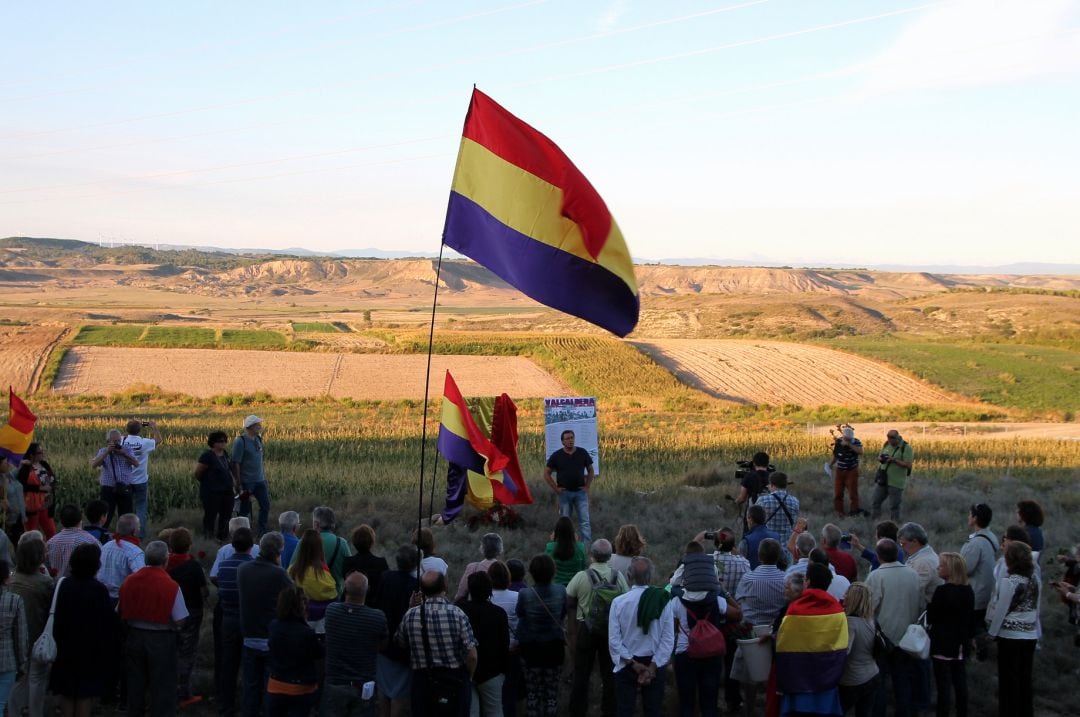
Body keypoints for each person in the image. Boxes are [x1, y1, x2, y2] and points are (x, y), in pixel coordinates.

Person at [118, 539, 188, 716]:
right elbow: (180, 619)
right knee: (162, 687)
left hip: (134, 636)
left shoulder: (129, 581)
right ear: (166, 560)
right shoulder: (170, 585)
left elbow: (120, 610)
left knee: (136, 686)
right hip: (161, 640)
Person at [396, 570, 478, 717]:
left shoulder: (411, 614)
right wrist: (468, 678)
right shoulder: (457, 614)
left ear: (422, 590)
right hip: (454, 681)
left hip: (422, 683)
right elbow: (472, 656)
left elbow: (400, 642)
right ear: (445, 586)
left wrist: (410, 607)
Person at [671, 555, 742, 717]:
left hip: (685, 654)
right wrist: (723, 590)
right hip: (712, 654)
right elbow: (738, 614)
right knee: (709, 704)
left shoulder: (676, 602)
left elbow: (673, 628)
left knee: (687, 704)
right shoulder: (718, 601)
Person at [51, 543, 116, 717]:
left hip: (64, 647)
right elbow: (107, 623)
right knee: (84, 695)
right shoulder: (99, 590)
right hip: (90, 650)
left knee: (67, 692)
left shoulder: (62, 585)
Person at [565, 539, 628, 717]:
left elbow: (569, 601)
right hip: (611, 631)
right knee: (609, 675)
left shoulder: (581, 576)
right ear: (609, 556)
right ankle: (609, 711)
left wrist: (572, 630)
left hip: (586, 629)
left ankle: (577, 711)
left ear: (591, 555)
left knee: (581, 675)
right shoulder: (618, 577)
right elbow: (626, 601)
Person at [775, 563, 848, 716]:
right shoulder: (837, 609)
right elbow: (841, 644)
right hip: (827, 678)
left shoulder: (795, 609)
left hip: (799, 679)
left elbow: (784, 644)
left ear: (807, 581)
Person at [608, 556, 675, 717]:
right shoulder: (662, 601)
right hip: (654, 663)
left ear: (629, 576)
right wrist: (653, 666)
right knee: (653, 710)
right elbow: (668, 639)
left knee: (625, 710)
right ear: (650, 577)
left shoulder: (618, 602)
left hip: (627, 664)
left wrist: (632, 663)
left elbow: (614, 640)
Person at [237, 532, 293, 717]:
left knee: (250, 686)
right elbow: (294, 596)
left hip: (249, 636)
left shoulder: (243, 569)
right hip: (270, 638)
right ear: (279, 552)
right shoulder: (279, 574)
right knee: (271, 687)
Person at [864, 539, 921, 717]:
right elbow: (920, 605)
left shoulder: (876, 576)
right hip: (906, 637)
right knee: (902, 679)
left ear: (878, 556)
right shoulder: (913, 575)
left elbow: (869, 608)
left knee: (879, 680)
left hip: (884, 638)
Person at [324, 571, 389, 716]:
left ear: (345, 589)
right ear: (367, 590)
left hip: (336, 683)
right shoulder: (377, 617)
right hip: (363, 685)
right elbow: (383, 645)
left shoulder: (331, 611)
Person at [986, 541, 1039, 717]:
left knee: (1009, 680)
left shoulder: (1010, 582)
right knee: (1025, 679)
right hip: (1029, 635)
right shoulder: (1034, 580)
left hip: (1010, 636)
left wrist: (991, 634)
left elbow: (1001, 611)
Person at [516, 554, 568, 717]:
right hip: (554, 646)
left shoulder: (525, 593)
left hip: (530, 647)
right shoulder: (561, 590)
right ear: (553, 571)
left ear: (531, 572)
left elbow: (520, 613)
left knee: (533, 690)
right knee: (551, 692)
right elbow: (563, 614)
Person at [7, 537, 53, 717]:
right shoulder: (46, 583)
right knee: (37, 679)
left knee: (16, 679)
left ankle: (14, 711)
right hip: (37, 636)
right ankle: (35, 712)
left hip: (13, 637)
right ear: (39, 557)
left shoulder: (10, 580)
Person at [372, 545, 420, 717]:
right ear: (416, 564)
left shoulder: (386, 577)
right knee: (399, 695)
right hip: (403, 647)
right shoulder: (416, 586)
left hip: (384, 643)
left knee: (384, 691)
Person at [927, 552, 974, 717]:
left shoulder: (942, 591)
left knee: (943, 686)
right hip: (960, 643)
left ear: (950, 569)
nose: (938, 568)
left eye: (941, 565)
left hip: (942, 643)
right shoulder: (968, 590)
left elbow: (932, 616)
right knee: (960, 682)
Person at [166, 527, 208, 709]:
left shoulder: (164, 565)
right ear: (189, 545)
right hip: (191, 612)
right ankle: (183, 692)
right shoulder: (193, 566)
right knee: (187, 652)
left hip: (168, 613)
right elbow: (204, 591)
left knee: (169, 650)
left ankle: (165, 690)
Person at [217, 526, 256, 717]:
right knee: (250, 665)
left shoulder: (223, 566)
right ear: (252, 545)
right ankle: (249, 707)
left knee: (229, 664)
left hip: (229, 618)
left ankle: (226, 707)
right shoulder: (253, 567)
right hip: (248, 619)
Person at [459, 571, 510, 717]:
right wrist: (504, 670)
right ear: (489, 589)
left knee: (470, 712)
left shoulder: (461, 610)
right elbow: (504, 645)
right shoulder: (498, 613)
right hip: (492, 672)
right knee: (494, 711)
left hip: (467, 670)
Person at [266, 586, 322, 717]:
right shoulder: (306, 633)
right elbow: (319, 653)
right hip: (300, 689)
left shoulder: (274, 626)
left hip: (276, 685)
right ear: (301, 606)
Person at [959, 503, 997, 661]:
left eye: (970, 515)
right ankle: (981, 652)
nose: (968, 517)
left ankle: (972, 655)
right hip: (986, 590)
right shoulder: (991, 536)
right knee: (978, 624)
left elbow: (965, 568)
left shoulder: (976, 543)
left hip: (975, 592)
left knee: (969, 628)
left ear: (975, 519)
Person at [544, 429, 594, 544]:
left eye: (572, 438)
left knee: (585, 522)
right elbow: (546, 473)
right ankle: (565, 545)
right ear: (562, 442)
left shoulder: (582, 453)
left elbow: (590, 470)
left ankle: (586, 548)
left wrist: (587, 487)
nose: (570, 440)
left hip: (580, 493)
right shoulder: (557, 455)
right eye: (567, 438)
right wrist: (556, 489)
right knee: (565, 522)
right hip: (564, 494)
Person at [839, 583, 880, 717]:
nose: (843, 596)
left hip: (853, 678)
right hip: (872, 673)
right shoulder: (871, 620)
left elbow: (844, 651)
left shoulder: (850, 623)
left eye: (846, 594)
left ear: (853, 599)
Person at [487, 561, 523, 717]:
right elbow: (523, 623)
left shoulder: (486, 599)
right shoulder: (518, 596)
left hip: (492, 652)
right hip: (513, 650)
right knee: (510, 693)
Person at [288, 529, 337, 633]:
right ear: (320, 548)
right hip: (321, 627)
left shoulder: (292, 571)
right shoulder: (324, 573)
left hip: (297, 623)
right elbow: (333, 596)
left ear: (301, 547)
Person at [121, 419, 162, 540]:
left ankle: (125, 534)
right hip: (141, 480)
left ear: (127, 430)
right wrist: (153, 427)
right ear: (140, 430)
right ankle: (141, 536)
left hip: (125, 481)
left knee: (127, 509)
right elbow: (159, 440)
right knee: (141, 508)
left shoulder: (123, 441)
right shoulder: (145, 442)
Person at [91, 429, 139, 525]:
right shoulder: (103, 451)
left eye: (118, 441)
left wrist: (123, 454)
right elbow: (94, 465)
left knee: (126, 516)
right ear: (108, 442)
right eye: (114, 441)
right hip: (109, 488)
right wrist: (107, 452)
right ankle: (103, 535)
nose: (117, 443)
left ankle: (125, 535)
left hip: (125, 487)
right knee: (106, 515)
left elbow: (136, 463)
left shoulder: (127, 449)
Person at [232, 415, 270, 535]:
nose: (260, 426)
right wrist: (238, 482)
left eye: (259, 423)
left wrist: (263, 477)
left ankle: (262, 531)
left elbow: (259, 461)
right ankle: (243, 533)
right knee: (244, 509)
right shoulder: (240, 441)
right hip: (247, 481)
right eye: (257, 424)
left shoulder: (258, 439)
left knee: (265, 505)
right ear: (249, 426)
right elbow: (236, 463)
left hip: (260, 480)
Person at [195, 431, 234, 541]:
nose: (223, 443)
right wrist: (207, 482)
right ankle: (208, 538)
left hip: (226, 491)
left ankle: (222, 537)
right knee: (210, 516)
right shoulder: (207, 456)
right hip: (211, 492)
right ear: (213, 442)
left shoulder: (225, 454)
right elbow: (198, 472)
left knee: (226, 515)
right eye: (220, 441)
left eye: (224, 440)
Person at [0, 560, 28, 714]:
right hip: (7, 660)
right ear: (6, 578)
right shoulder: (14, 600)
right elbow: (21, 636)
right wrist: (22, 663)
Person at [96, 513, 145, 601]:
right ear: (134, 531)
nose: (139, 529)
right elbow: (142, 579)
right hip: (122, 599)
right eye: (139, 527)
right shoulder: (135, 552)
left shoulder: (105, 547)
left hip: (100, 596)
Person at [870, 429, 913, 522]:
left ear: (898, 437)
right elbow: (880, 456)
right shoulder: (886, 445)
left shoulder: (906, 448)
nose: (890, 440)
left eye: (892, 438)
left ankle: (894, 524)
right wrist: (881, 459)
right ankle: (875, 522)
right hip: (883, 479)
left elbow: (909, 465)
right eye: (888, 437)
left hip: (896, 482)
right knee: (875, 501)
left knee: (894, 506)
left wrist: (894, 460)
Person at [17, 442, 57, 539]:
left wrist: (53, 485)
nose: (43, 454)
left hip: (46, 505)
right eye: (40, 452)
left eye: (43, 451)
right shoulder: (26, 467)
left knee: (51, 531)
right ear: (32, 455)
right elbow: (21, 486)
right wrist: (40, 488)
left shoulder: (44, 464)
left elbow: (53, 478)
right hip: (32, 506)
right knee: (31, 534)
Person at [343, 523, 390, 604]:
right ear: (371, 541)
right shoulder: (381, 563)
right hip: (374, 606)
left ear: (354, 541)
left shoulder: (347, 562)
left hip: (351, 605)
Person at [45, 504, 96, 577]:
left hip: (57, 586)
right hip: (81, 585)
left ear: (61, 522)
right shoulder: (90, 541)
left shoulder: (50, 542)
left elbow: (46, 568)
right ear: (80, 520)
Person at [754, 471, 800, 546]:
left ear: (772, 484)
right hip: (786, 549)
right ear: (785, 485)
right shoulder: (795, 501)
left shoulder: (762, 500)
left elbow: (754, 521)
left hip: (767, 547)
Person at [455, 532, 503, 602]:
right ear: (499, 548)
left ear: (483, 548)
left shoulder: (472, 567)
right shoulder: (503, 568)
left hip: (475, 607)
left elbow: (461, 593)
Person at [830, 424, 865, 517]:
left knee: (853, 492)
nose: (847, 439)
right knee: (838, 492)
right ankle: (839, 512)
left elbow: (861, 452)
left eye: (849, 439)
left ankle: (854, 511)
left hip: (851, 470)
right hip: (840, 470)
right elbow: (836, 455)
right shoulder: (839, 441)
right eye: (846, 438)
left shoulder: (856, 442)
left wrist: (849, 444)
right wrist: (831, 464)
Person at [545, 515, 586, 587]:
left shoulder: (550, 547)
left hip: (555, 587)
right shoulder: (581, 547)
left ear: (557, 531)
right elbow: (583, 568)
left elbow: (546, 569)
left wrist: (552, 542)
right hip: (575, 587)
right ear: (572, 531)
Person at [708, 528, 750, 597]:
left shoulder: (706, 561)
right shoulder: (744, 563)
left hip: (713, 606)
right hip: (736, 606)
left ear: (715, 543)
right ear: (733, 545)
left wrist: (703, 536)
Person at [739, 504, 780, 571]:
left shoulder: (746, 541)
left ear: (750, 519)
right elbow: (784, 561)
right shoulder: (776, 536)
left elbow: (741, 566)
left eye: (747, 518)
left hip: (752, 579)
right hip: (775, 577)